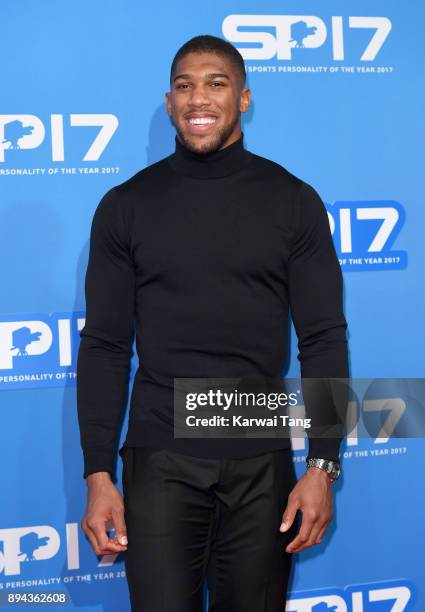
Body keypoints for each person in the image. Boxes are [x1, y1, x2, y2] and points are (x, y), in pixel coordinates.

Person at [76, 34, 349, 612]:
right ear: (170, 102)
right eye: (185, 86)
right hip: (161, 461)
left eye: (216, 83)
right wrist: (98, 475)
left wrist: (323, 465)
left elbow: (323, 339)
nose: (199, 98)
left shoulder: (293, 201)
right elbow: (104, 346)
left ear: (243, 98)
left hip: (262, 463)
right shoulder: (126, 206)